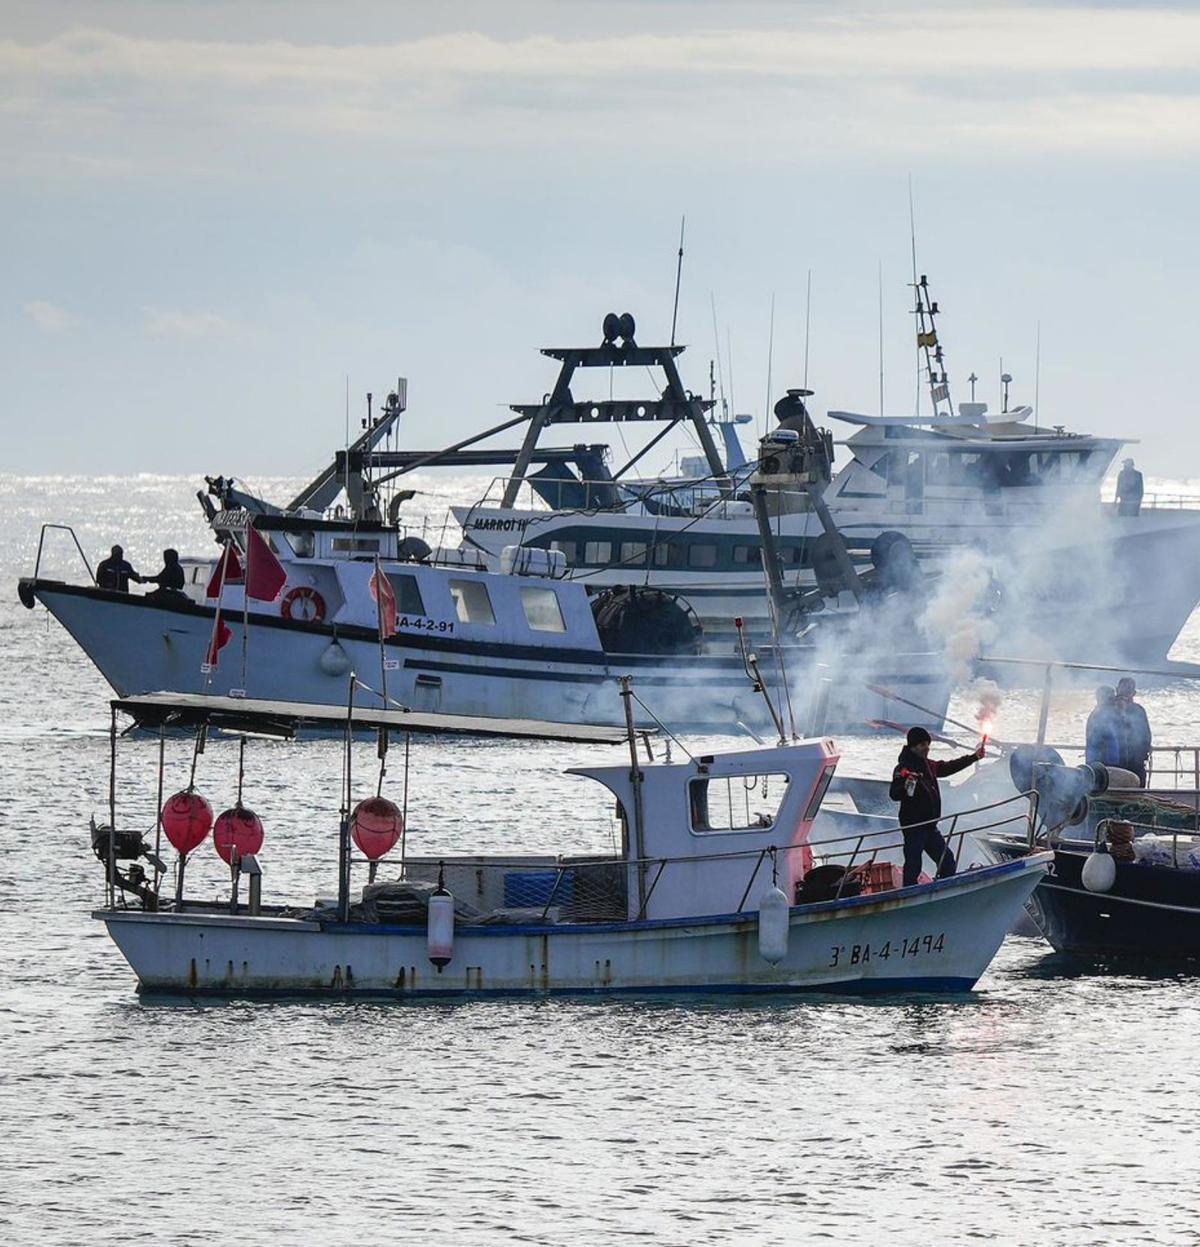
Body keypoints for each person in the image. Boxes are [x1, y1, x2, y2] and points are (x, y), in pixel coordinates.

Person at [889, 726, 984, 887]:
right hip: (914, 827)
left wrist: (974, 757)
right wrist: (908, 784)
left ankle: (942, 890)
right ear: (913, 747)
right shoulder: (903, 769)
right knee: (913, 866)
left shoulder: (929, 765)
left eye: (927, 744)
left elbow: (949, 767)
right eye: (922, 745)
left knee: (947, 861)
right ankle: (909, 897)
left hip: (930, 827)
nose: (926, 748)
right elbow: (894, 794)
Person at [1114, 676, 1152, 785]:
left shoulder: (1138, 711)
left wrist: (1143, 754)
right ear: (1117, 690)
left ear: (1133, 693)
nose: (1125, 694)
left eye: (1128, 691)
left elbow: (1146, 735)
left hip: (1135, 761)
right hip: (1115, 763)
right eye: (1123, 690)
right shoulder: (1108, 710)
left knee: (1137, 792)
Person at [1085, 685, 1121, 766]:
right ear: (1102, 699)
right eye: (1111, 699)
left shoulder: (1110, 715)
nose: (1114, 701)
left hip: (1110, 763)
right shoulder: (1097, 716)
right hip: (1102, 763)